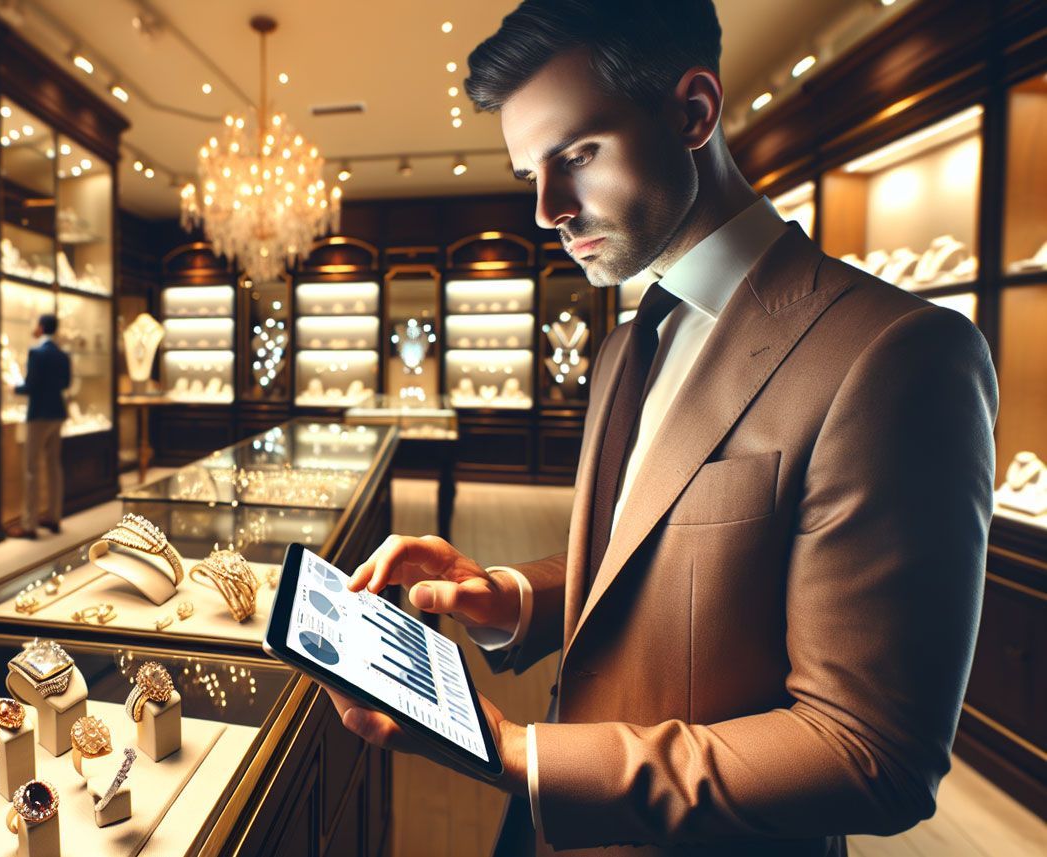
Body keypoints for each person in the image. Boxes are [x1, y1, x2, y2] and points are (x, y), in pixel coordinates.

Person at [327, 2, 999, 855]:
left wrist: (520, 755)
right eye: (530, 170)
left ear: (692, 112)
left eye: (575, 155)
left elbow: (871, 751)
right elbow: (655, 564)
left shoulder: (898, 355)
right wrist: (509, 596)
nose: (547, 208)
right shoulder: (626, 344)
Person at [8, 313, 71, 539]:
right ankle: (54, 517)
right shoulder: (63, 355)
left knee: (31, 469)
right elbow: (66, 383)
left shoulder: (36, 353)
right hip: (58, 413)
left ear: (41, 327)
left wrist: (14, 388)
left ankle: (29, 524)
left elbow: (31, 386)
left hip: (39, 415)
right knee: (54, 466)